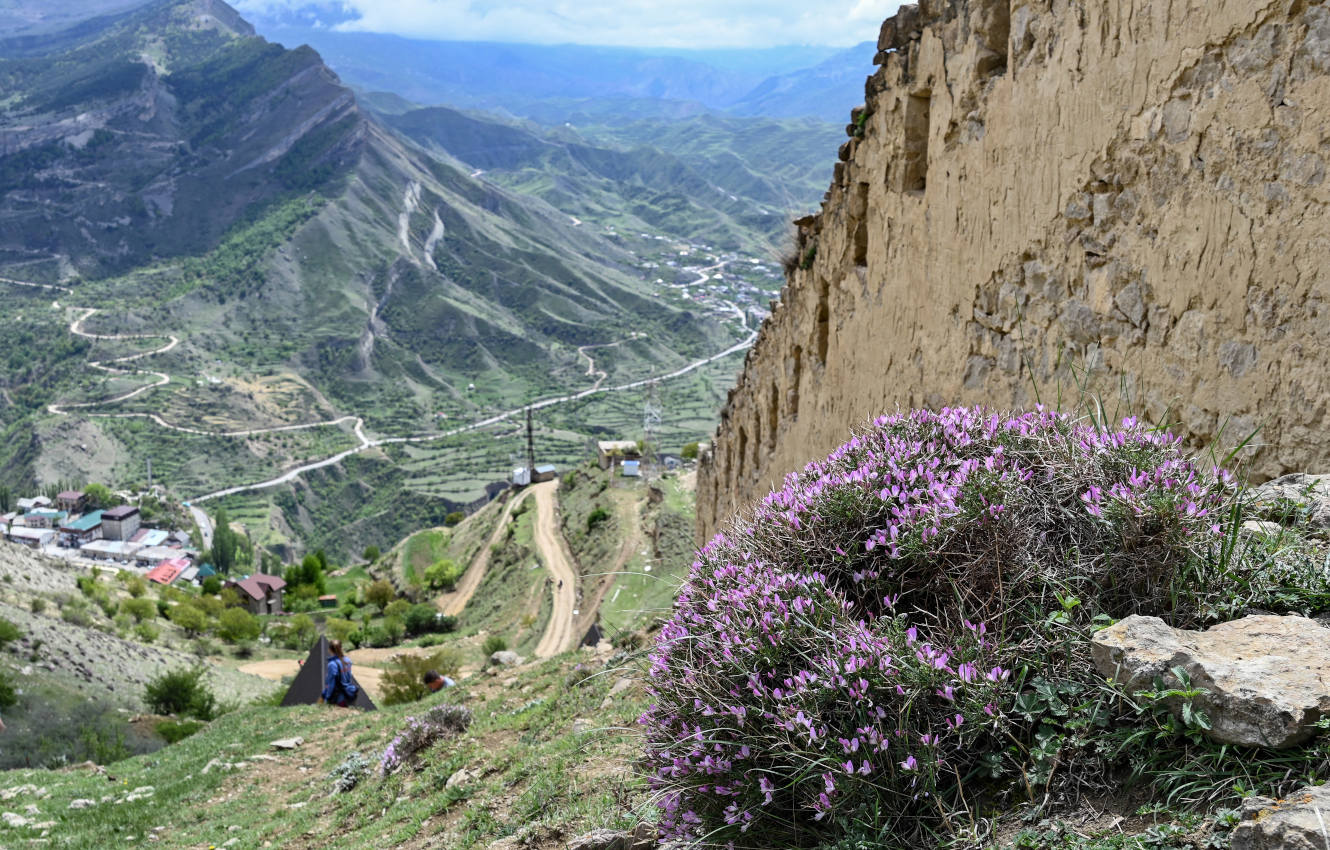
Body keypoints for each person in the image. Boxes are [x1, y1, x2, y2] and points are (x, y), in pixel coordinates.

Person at [320, 639, 359, 708]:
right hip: (349, 694)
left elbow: (331, 683)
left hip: (339, 698)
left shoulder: (332, 664)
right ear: (341, 648)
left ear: (329, 650)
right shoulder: (347, 660)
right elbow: (348, 678)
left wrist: (327, 698)